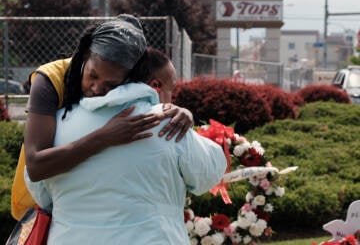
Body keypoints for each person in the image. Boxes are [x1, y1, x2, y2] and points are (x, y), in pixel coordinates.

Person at [24, 48, 227, 244]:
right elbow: (210, 174)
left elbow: (40, 193)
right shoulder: (170, 124)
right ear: (154, 84)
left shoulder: (57, 124)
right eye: (170, 89)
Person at [11, 14, 194, 221]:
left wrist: (180, 112)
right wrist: (105, 137)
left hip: (89, 206)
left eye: (111, 85)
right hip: (39, 207)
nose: (97, 89)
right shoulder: (49, 80)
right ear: (85, 55)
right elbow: (36, 166)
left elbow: (152, 106)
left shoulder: (128, 85)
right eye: (93, 75)